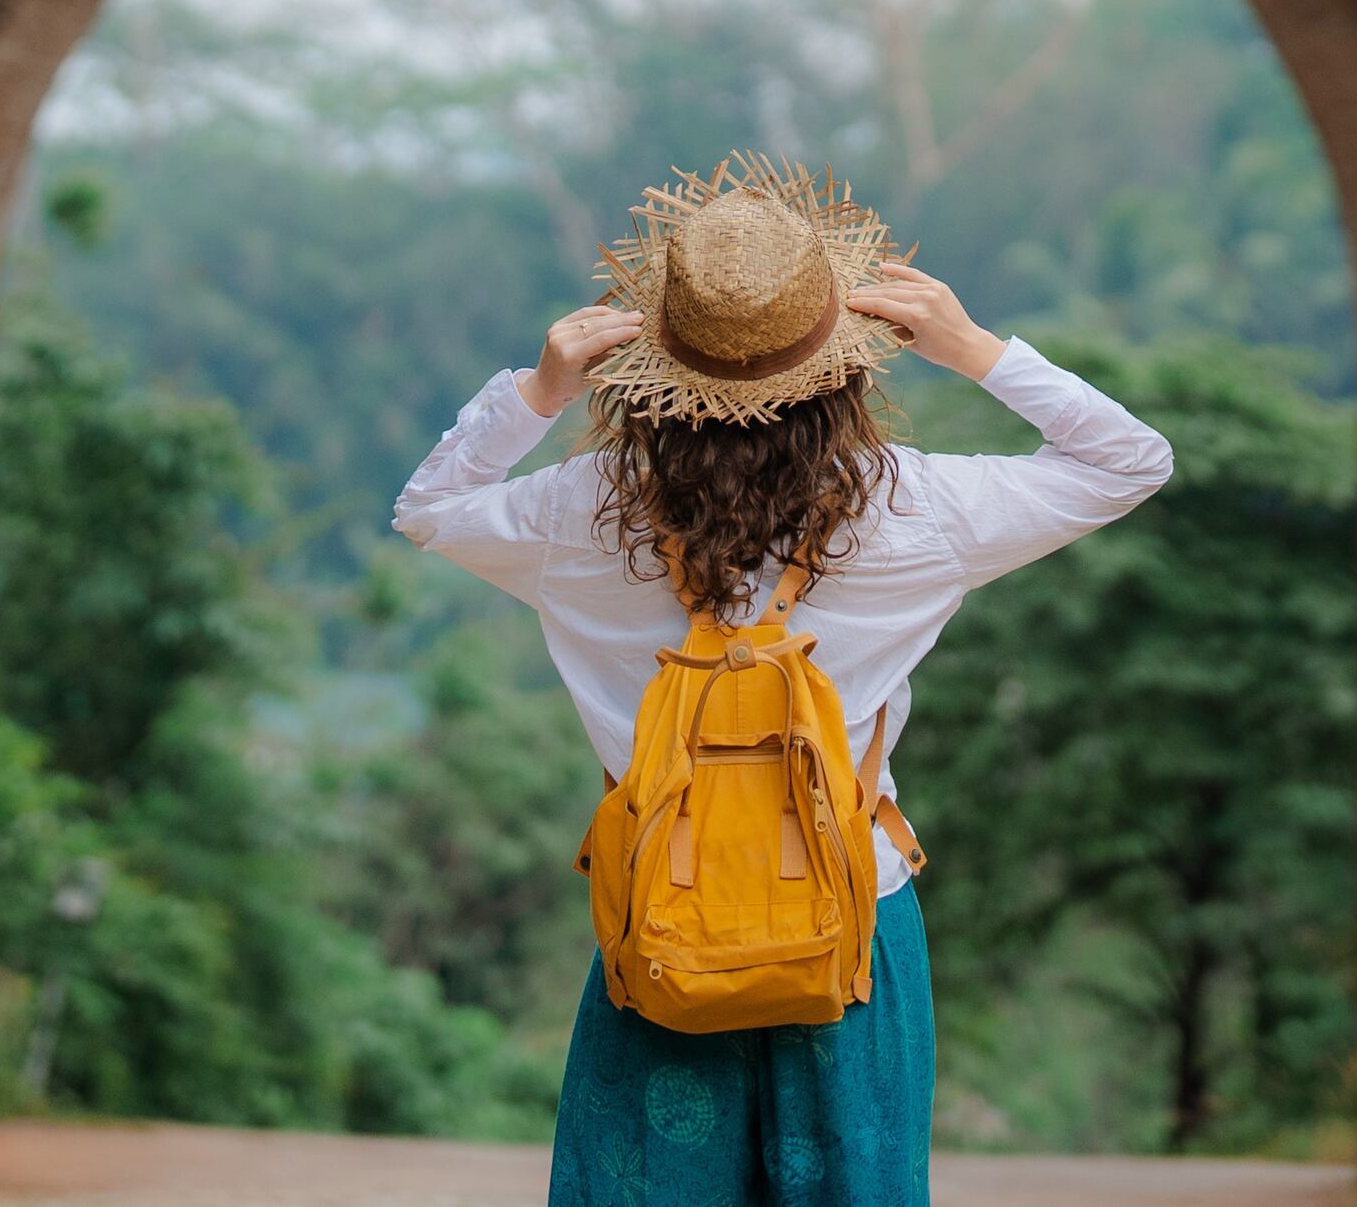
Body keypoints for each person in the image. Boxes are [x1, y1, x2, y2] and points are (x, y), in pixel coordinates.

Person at [392, 154, 1172, 1207]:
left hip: (661, 935)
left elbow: (429, 508)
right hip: (847, 932)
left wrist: (535, 391)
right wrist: (976, 350)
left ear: (651, 361)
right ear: (843, 365)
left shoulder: (571, 515)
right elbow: (1129, 462)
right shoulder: (915, 510)